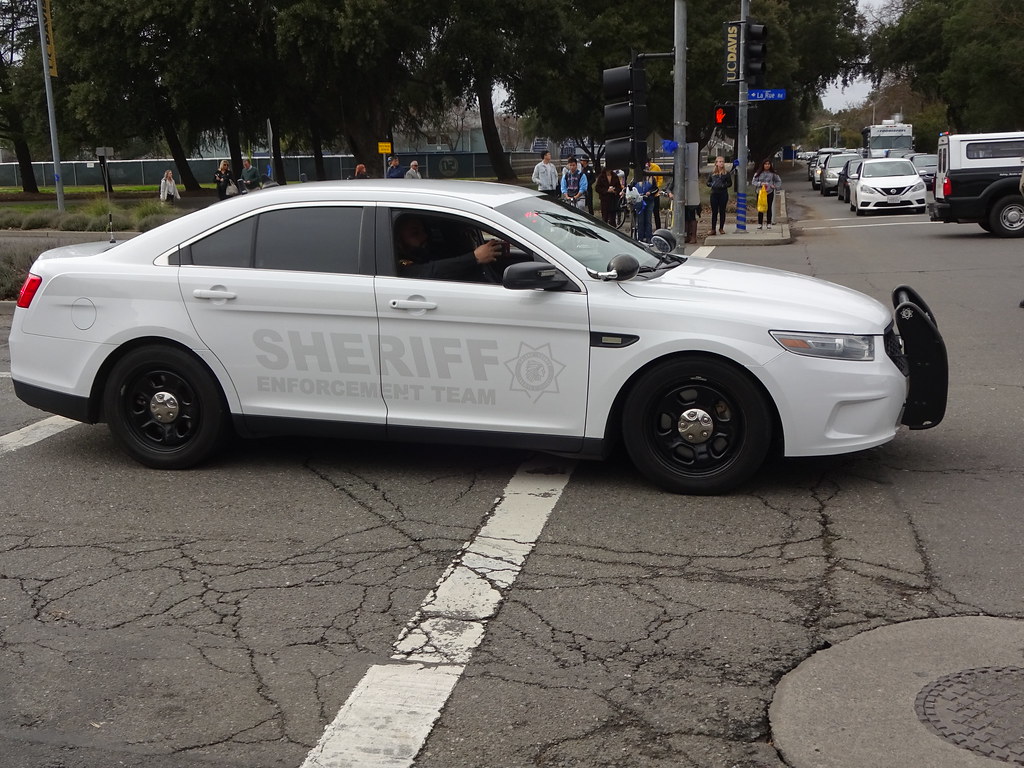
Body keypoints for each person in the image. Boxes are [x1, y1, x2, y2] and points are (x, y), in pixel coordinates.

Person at [394, 215, 503, 281]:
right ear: (398, 241)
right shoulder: (398, 264)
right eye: (415, 233)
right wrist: (475, 258)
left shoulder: (429, 251)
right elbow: (429, 271)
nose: (424, 236)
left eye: (424, 231)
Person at [751, 158, 783, 229]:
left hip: (769, 192)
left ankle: (769, 223)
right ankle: (760, 223)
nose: (767, 165)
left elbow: (778, 181)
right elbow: (753, 182)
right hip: (760, 193)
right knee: (760, 207)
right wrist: (760, 184)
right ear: (763, 165)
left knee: (769, 207)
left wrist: (774, 186)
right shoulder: (758, 173)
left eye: (768, 164)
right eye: (765, 164)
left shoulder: (773, 173)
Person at [706, 156, 734, 234]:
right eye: (720, 161)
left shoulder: (726, 173)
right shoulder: (712, 173)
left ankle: (721, 228)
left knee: (722, 211)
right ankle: (713, 229)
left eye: (722, 161)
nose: (721, 163)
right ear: (716, 163)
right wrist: (712, 184)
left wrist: (723, 185)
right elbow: (707, 183)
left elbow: (730, 183)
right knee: (714, 212)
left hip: (723, 194)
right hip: (714, 193)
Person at [630, 174, 657, 243]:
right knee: (640, 221)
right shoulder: (635, 179)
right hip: (639, 201)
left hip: (649, 201)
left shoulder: (651, 178)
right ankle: (640, 238)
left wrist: (650, 192)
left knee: (648, 220)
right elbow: (630, 187)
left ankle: (649, 238)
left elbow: (656, 188)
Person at [645, 159, 664, 229]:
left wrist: (657, 186)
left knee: (656, 213)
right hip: (646, 194)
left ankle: (658, 228)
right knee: (647, 213)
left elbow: (660, 178)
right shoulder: (642, 168)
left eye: (648, 162)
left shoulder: (656, 167)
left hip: (655, 194)